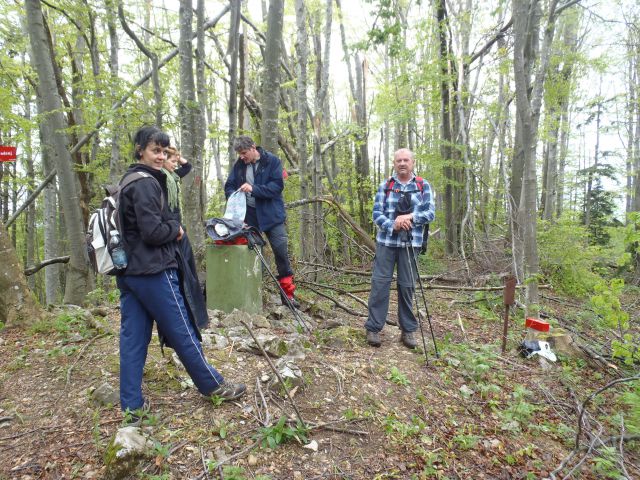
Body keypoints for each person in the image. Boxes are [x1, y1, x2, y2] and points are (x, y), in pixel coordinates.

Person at [116, 126, 245, 420]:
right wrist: (176, 229)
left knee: (133, 338)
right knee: (183, 329)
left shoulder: (128, 180)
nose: (161, 156)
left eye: (164, 151)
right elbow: (153, 232)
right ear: (140, 151)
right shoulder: (147, 184)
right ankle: (212, 385)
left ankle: (131, 406)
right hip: (154, 270)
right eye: (155, 151)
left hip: (130, 272)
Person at [365, 148, 435, 349]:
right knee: (379, 285)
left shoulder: (423, 186)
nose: (402, 163)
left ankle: (408, 330)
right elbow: (376, 214)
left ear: (412, 162)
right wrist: (392, 224)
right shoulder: (385, 186)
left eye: (406, 160)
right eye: (398, 160)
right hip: (386, 243)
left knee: (407, 286)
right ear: (394, 164)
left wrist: (410, 217)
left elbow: (430, 213)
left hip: (411, 244)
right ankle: (373, 327)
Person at [224, 135, 299, 308]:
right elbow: (229, 185)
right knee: (252, 254)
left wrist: (254, 189)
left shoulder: (272, 161)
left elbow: (276, 187)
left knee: (281, 254)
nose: (242, 157)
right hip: (249, 218)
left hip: (272, 217)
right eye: (239, 154)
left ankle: (288, 296)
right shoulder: (239, 166)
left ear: (252, 148)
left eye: (243, 153)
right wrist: (235, 197)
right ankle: (251, 294)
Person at [161, 147, 208, 332]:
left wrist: (178, 157)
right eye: (171, 161)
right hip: (171, 233)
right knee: (182, 276)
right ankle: (188, 318)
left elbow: (187, 168)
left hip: (179, 231)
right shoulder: (161, 179)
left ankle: (199, 319)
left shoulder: (172, 177)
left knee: (190, 275)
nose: (174, 164)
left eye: (174, 161)